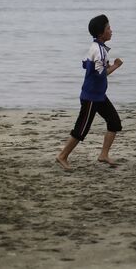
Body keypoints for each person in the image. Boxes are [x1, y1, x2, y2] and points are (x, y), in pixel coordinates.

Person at [56, 14, 124, 170]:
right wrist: (115, 66)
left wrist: (100, 65)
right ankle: (62, 156)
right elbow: (101, 74)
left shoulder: (96, 47)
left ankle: (103, 155)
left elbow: (84, 64)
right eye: (108, 28)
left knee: (114, 122)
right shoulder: (98, 51)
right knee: (81, 129)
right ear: (101, 34)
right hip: (91, 97)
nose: (111, 30)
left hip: (99, 96)